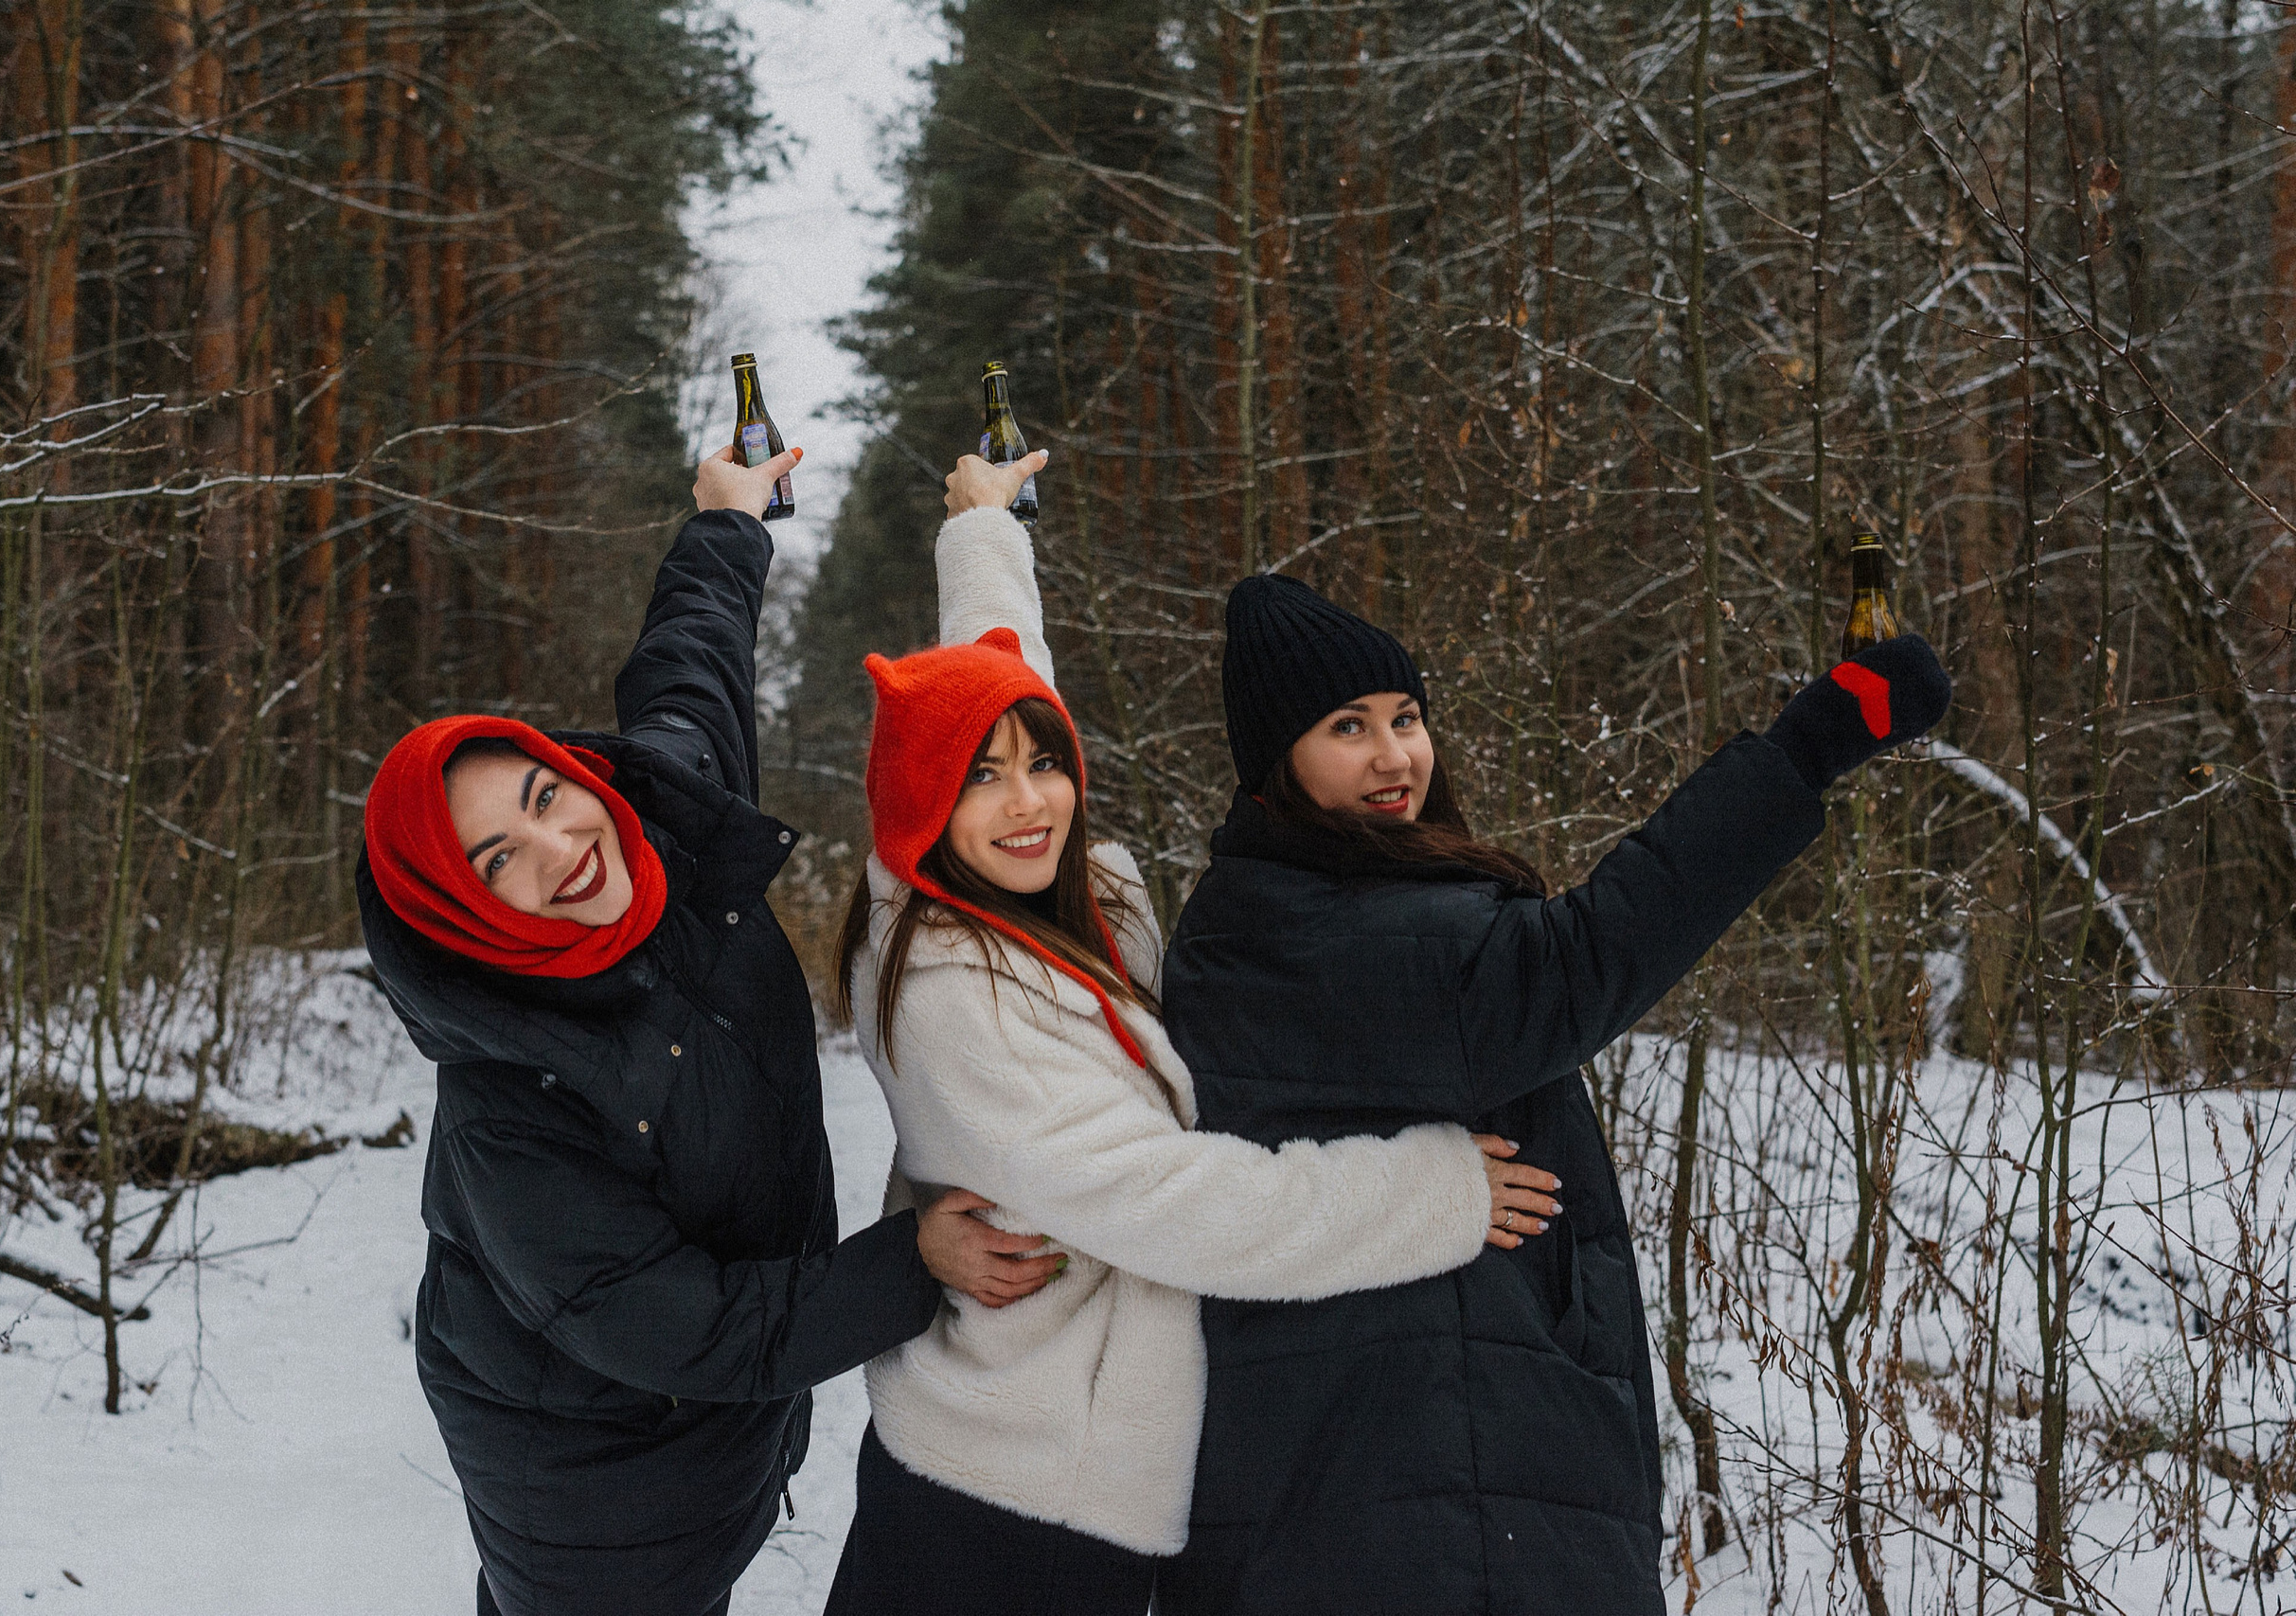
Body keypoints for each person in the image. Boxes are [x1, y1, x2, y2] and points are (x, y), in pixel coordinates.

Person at [819, 453, 1561, 1616]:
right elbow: (1179, 1207)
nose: (1031, 803)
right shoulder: (954, 998)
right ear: (923, 808)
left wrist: (983, 528)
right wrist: (1431, 1195)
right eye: (983, 782)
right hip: (1017, 1502)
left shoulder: (1049, 898)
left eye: (1045, 765)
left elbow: (1004, 666)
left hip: (1049, 1454)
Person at [1153, 578, 1953, 1615]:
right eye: (1347, 728)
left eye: (1405, 718)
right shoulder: (1293, 928)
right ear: (1275, 761)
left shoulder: (1329, 896)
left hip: (1434, 1457)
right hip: (1421, 1492)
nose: (1395, 756)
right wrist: (1808, 745)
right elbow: (1575, 961)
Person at [354, 445, 1061, 1616]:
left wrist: (729, 518)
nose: (560, 847)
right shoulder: (508, 1119)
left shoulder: (662, 832)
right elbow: (686, 1329)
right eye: (498, 862)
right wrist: (909, 1262)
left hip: (721, 1422)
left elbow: (691, 662)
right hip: (592, 1495)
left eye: (543, 796)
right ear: (462, 913)